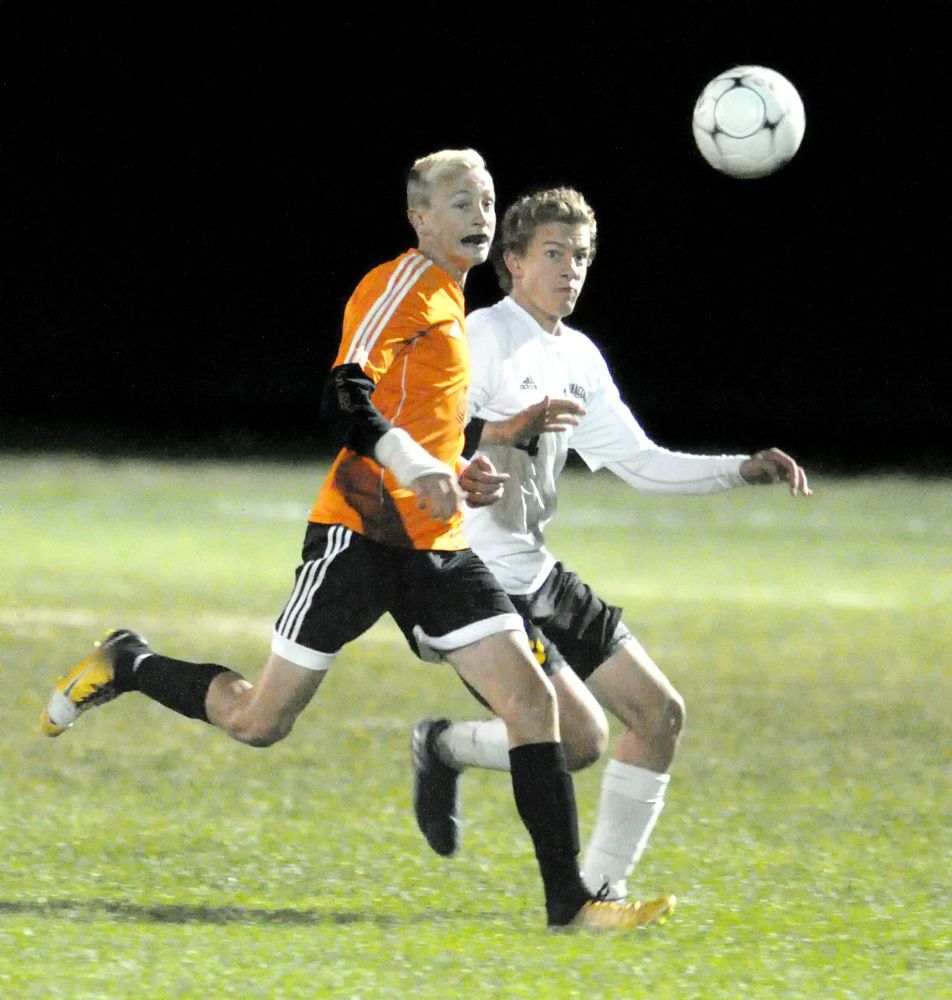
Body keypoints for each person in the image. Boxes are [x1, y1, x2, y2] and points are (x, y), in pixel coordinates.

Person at [40, 153, 675, 932]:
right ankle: (129, 661)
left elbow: (431, 419)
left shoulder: (454, 299)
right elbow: (345, 396)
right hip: (359, 537)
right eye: (457, 202)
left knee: (531, 700)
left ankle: (568, 904)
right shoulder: (400, 284)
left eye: (486, 199)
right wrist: (415, 463)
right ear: (420, 219)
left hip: (437, 547)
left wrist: (458, 469)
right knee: (258, 722)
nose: (479, 213)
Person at [410, 186, 810, 902]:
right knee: (571, 741)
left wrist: (739, 470)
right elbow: (420, 438)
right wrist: (499, 433)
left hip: (533, 568)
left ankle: (599, 889)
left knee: (656, 717)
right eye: (554, 254)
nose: (571, 270)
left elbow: (640, 462)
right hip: (467, 575)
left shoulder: (580, 357)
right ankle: (458, 765)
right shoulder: (480, 336)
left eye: (583, 257)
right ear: (513, 262)